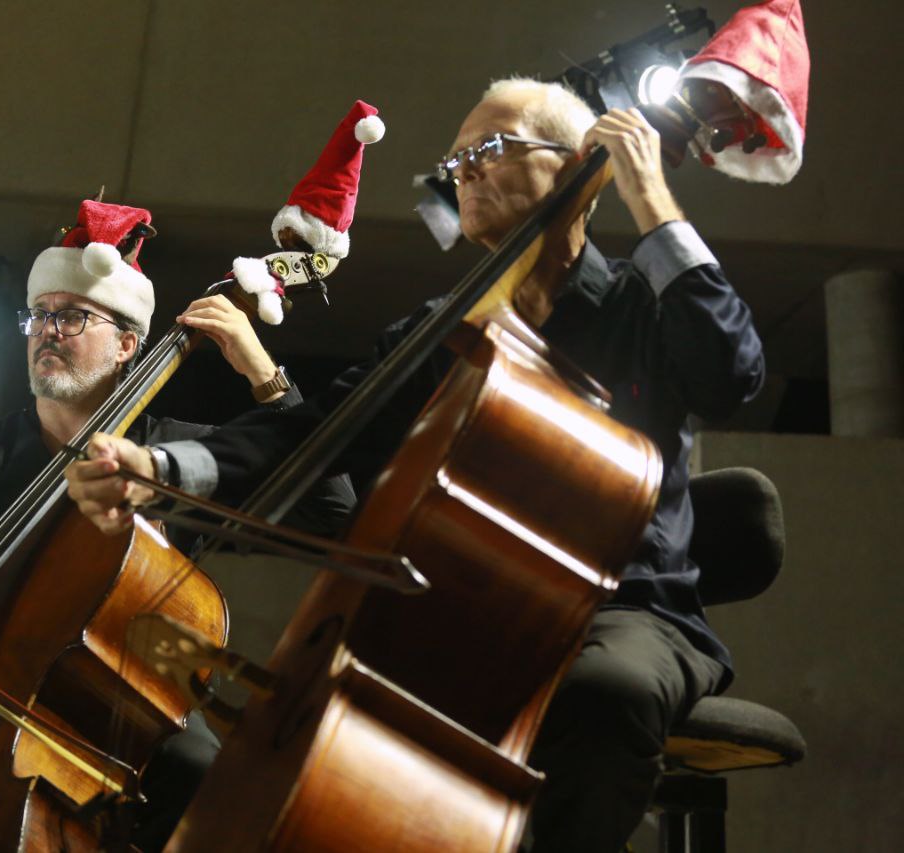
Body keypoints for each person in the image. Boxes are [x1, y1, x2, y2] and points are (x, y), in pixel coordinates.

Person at [65, 78, 765, 852]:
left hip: (631, 609)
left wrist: (651, 200)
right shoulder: (445, 334)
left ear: (574, 168)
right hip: (468, 613)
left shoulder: (644, 303)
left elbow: (730, 375)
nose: (465, 171)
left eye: (491, 148)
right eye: (456, 160)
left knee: (607, 691)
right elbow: (318, 430)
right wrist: (162, 466)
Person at [0, 198, 353, 851]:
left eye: (73, 316)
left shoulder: (175, 458)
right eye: (39, 314)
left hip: (125, 714)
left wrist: (263, 373)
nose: (47, 331)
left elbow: (330, 507)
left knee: (216, 788)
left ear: (127, 345)